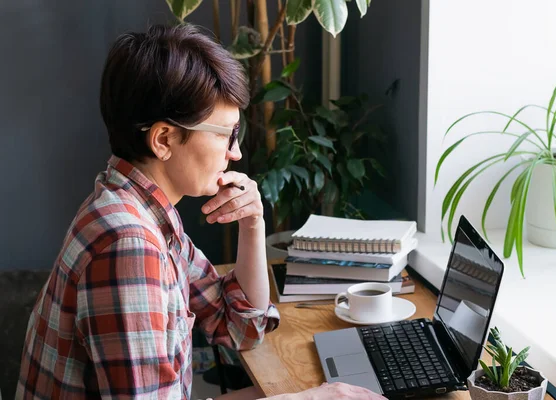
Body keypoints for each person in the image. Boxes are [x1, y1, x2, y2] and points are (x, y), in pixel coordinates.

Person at [16, 24, 385, 400]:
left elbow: (241, 327)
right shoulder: (128, 245)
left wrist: (252, 224)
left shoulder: (142, 210)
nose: (236, 153)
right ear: (164, 140)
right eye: (227, 134)